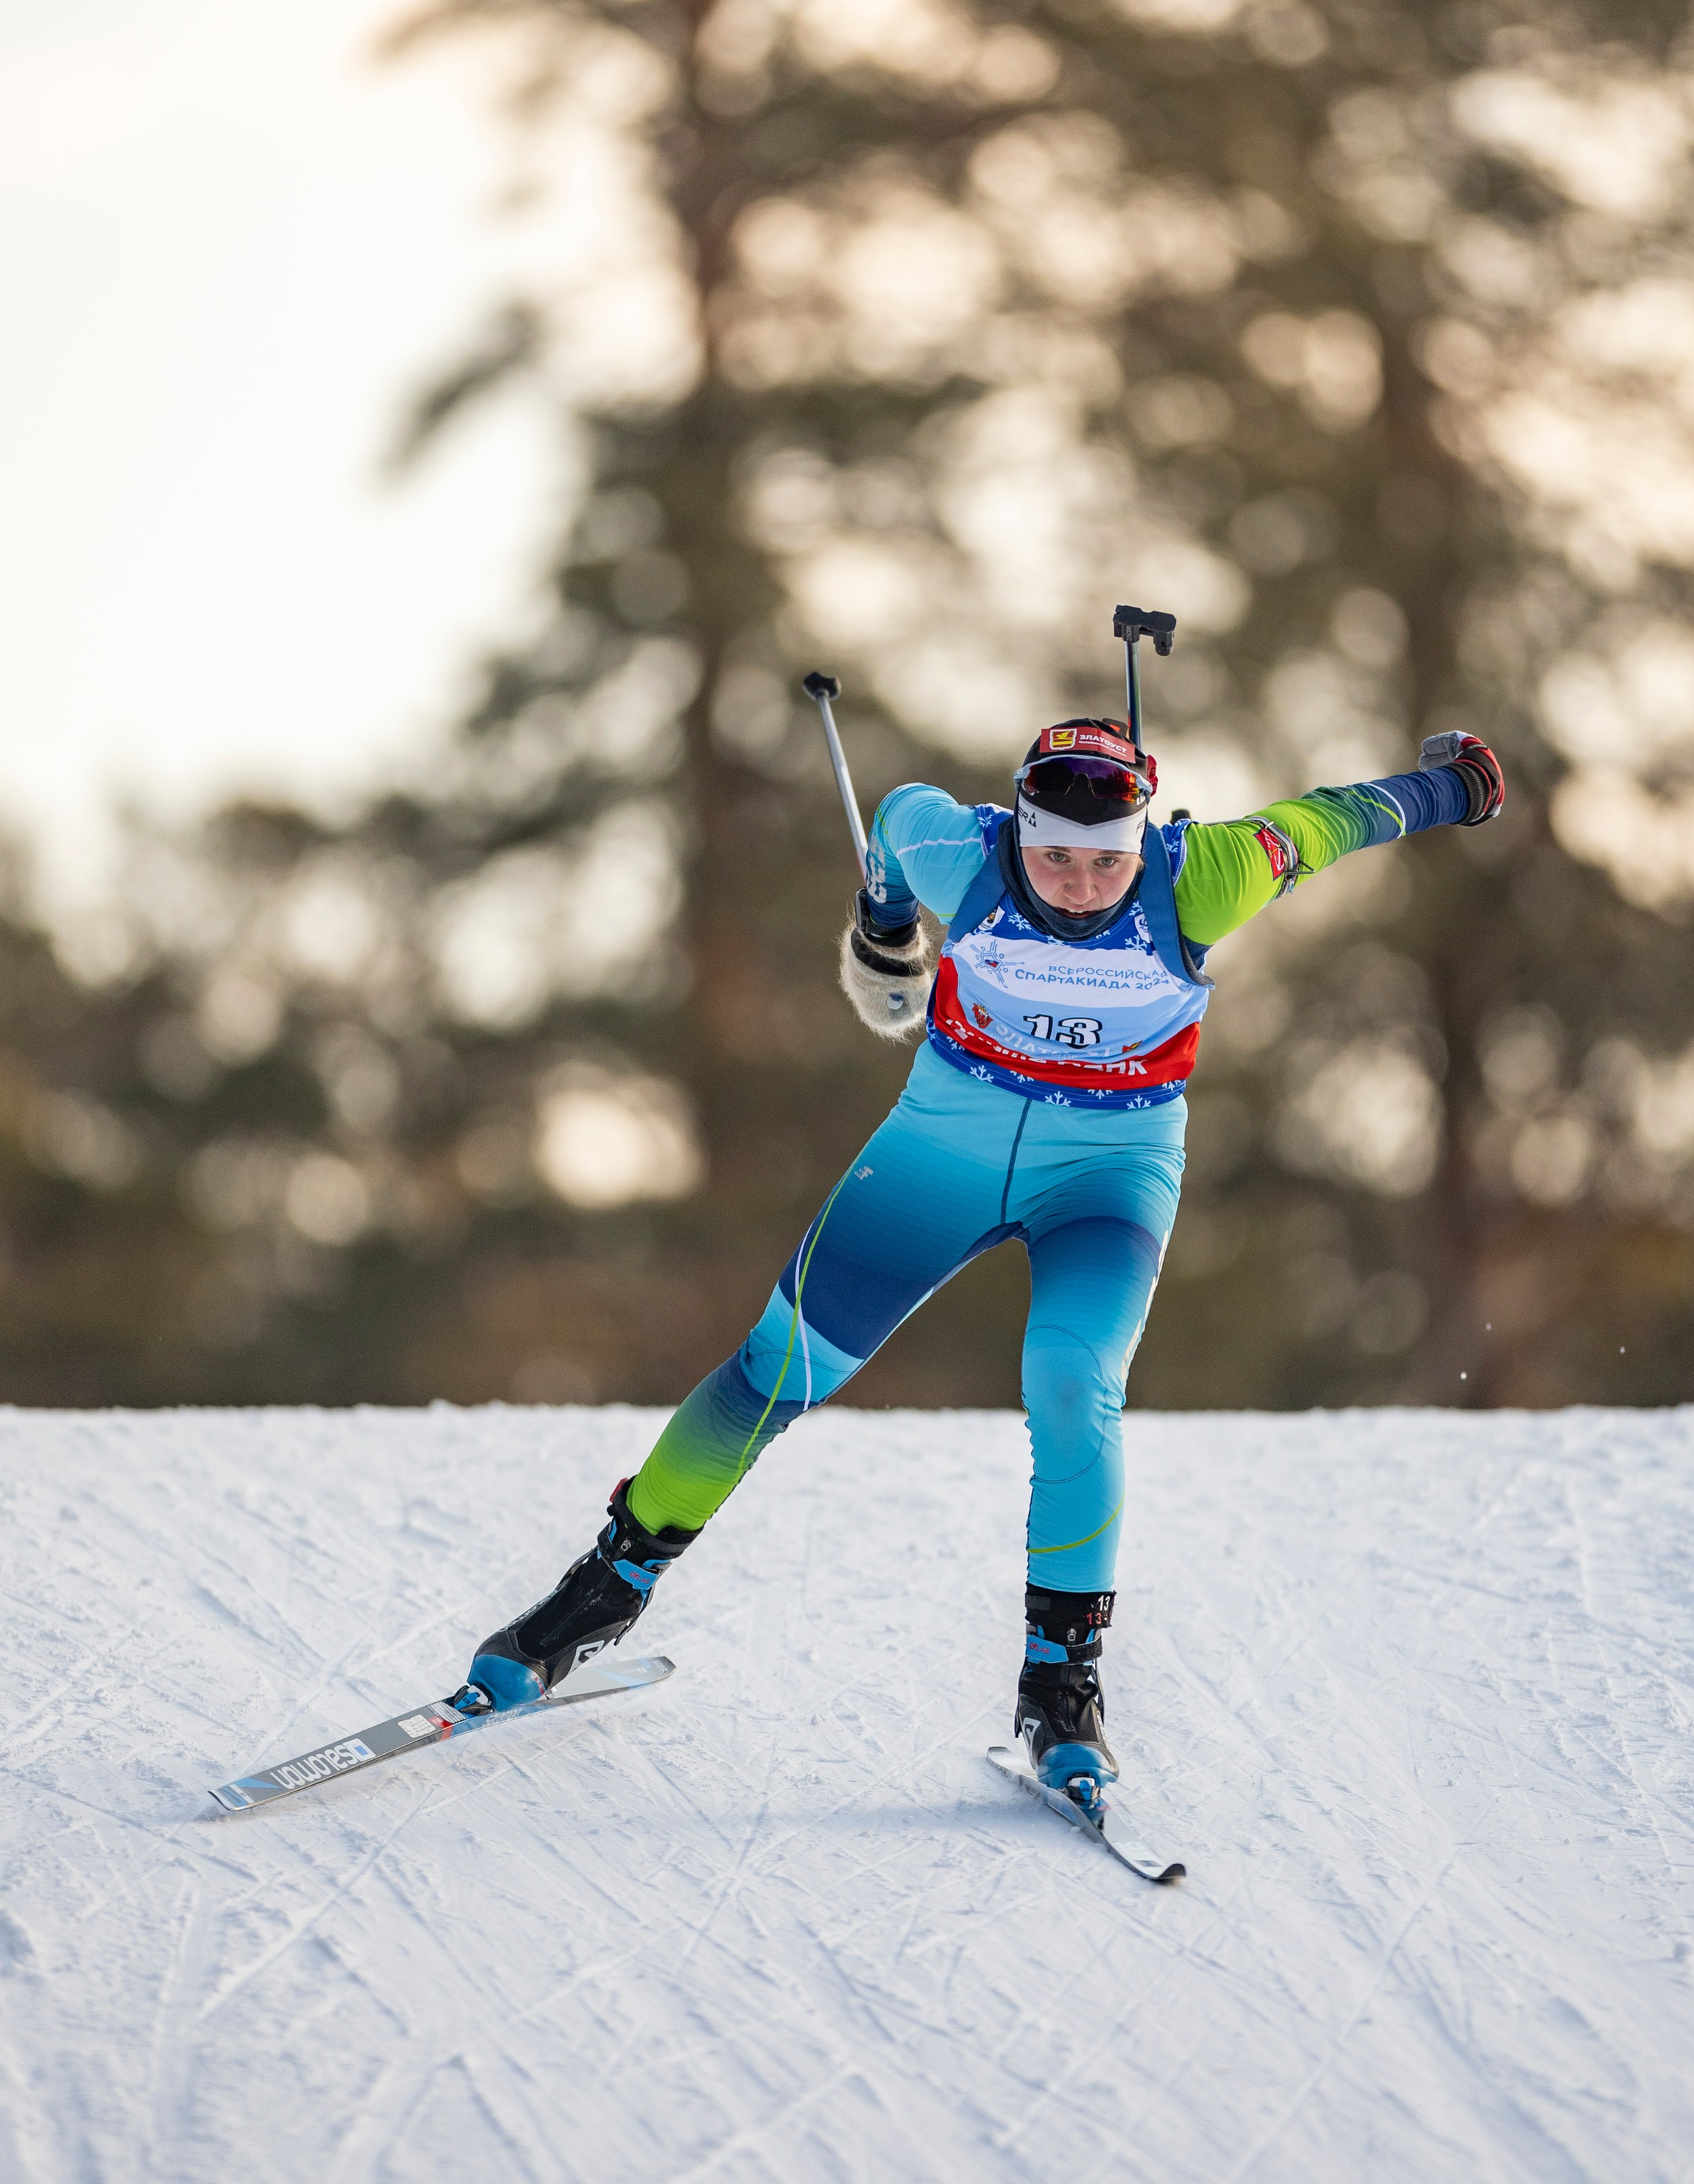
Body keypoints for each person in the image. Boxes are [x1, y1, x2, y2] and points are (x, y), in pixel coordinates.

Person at [454, 701, 1504, 1791]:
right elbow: (892, 823)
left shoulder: (1206, 877)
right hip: (942, 1147)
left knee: (1073, 1381)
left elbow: (1335, 821)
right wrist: (884, 928)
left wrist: (1452, 788)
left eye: (1106, 864)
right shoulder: (959, 852)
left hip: (1109, 1168)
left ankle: (1062, 1683)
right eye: (1055, 860)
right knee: (780, 1367)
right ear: (1017, 832)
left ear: (1142, 842)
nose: (1080, 887)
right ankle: (601, 1594)